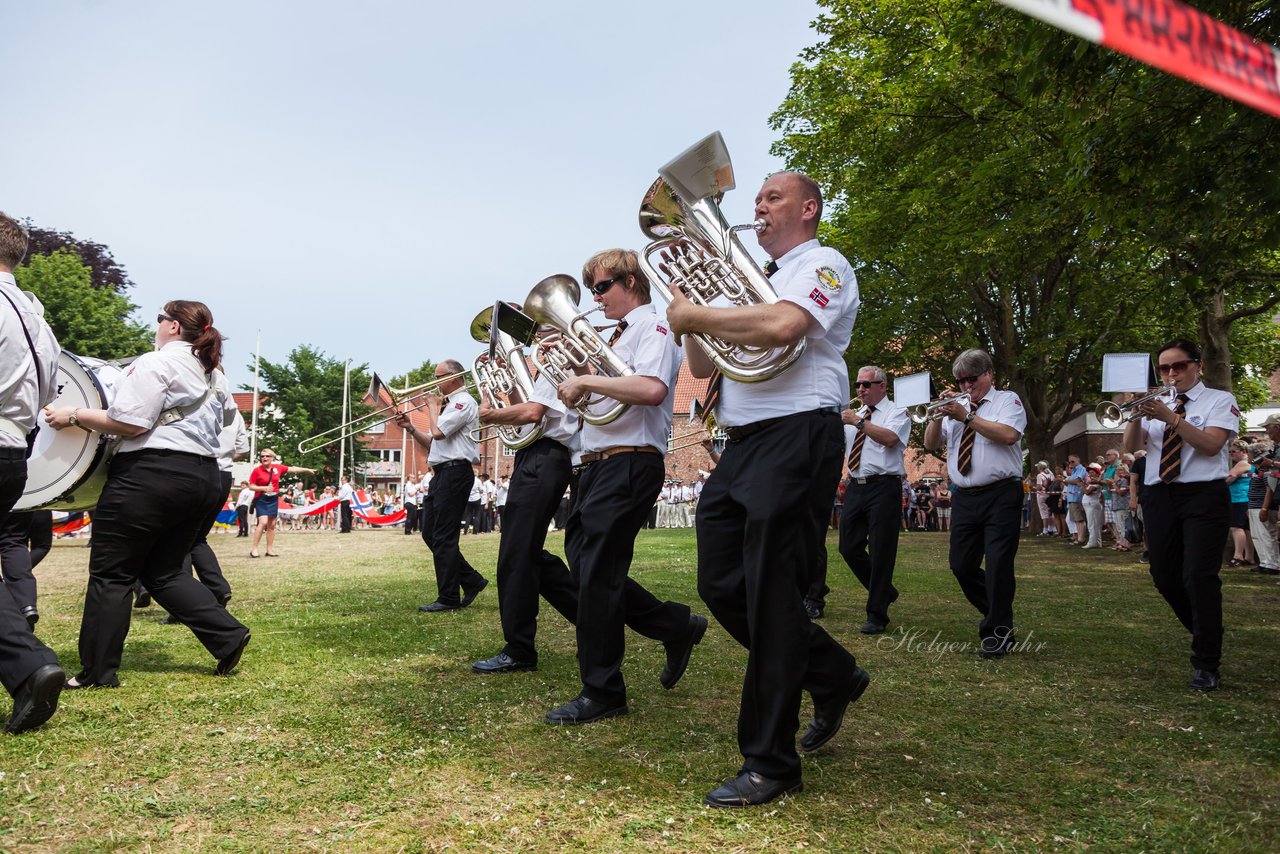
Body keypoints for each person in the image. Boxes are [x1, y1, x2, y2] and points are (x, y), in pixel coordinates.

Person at [666, 171, 864, 808]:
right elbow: (701, 368)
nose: (758, 207)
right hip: (744, 441)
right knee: (721, 584)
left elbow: (782, 328)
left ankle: (770, 763)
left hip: (799, 430)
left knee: (774, 593)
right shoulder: (757, 280)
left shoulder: (823, 262)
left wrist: (697, 311)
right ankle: (830, 673)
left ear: (807, 209)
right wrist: (688, 318)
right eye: (756, 200)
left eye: (772, 198)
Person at [44, 300, 252, 689]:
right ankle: (227, 635)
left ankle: (98, 672)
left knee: (112, 574)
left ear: (173, 326)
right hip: (203, 477)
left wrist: (73, 415)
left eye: (160, 318)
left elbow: (129, 422)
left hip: (151, 475)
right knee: (164, 571)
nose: (156, 325)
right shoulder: (214, 375)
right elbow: (224, 422)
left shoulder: (156, 362)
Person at [547, 248, 707, 727]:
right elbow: (591, 402)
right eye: (592, 290)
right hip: (597, 465)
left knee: (596, 571)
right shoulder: (613, 337)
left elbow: (653, 389)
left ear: (631, 282)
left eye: (601, 288)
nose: (595, 300)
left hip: (630, 462)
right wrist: (570, 374)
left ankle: (603, 690)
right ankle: (676, 626)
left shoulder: (652, 326)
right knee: (587, 564)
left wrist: (587, 377)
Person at [1123, 338, 1238, 691]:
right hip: (1159, 494)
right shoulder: (1159, 403)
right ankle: (1207, 631)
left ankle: (1206, 661)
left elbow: (1211, 445)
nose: (1171, 374)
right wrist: (1135, 413)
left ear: (1197, 365)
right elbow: (1132, 449)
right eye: (1164, 368)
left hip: (1203, 494)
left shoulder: (1220, 400)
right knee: (1164, 575)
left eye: (1179, 366)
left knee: (1199, 577)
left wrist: (1171, 418)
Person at [0, 212, 65, 732]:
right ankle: (28, 666)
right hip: (12, 453)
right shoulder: (36, 318)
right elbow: (49, 396)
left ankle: (27, 667)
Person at [922, 348, 1026, 659]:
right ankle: (997, 612)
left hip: (1001, 493)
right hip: (965, 496)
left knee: (997, 565)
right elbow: (930, 444)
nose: (966, 385)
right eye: (961, 380)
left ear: (989, 374)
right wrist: (937, 415)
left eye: (972, 379)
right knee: (961, 565)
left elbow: (1008, 435)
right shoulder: (957, 407)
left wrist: (967, 416)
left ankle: (997, 630)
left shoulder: (1008, 400)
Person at [397, 360, 489, 612]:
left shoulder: (464, 402)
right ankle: (471, 580)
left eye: (439, 377)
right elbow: (432, 441)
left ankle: (448, 597)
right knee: (430, 533)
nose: (436, 382)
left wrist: (432, 408)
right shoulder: (449, 406)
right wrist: (411, 427)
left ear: (456, 376)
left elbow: (438, 432)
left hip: (456, 472)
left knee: (445, 536)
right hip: (442, 473)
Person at [837, 366, 910, 635]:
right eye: (858, 385)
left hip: (884, 485)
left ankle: (876, 614)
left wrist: (857, 422)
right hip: (856, 485)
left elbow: (890, 439)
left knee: (881, 552)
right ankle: (885, 591)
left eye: (867, 385)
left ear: (883, 386)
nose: (861, 390)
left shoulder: (896, 411)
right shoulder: (855, 416)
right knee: (848, 547)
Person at [248, 450, 314, 556]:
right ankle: (254, 549)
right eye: (262, 456)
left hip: (273, 498)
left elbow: (292, 469)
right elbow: (251, 486)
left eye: (267, 456)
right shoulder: (257, 470)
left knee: (272, 525)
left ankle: (269, 550)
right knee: (263, 522)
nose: (264, 458)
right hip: (261, 498)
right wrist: (264, 488)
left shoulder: (277, 468)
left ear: (272, 458)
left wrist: (306, 469)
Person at [1226, 441, 1255, 567]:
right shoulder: (1250, 464)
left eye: (1234, 451)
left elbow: (1228, 480)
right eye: (1230, 451)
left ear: (1243, 452)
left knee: (1236, 528)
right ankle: (1249, 557)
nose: (1231, 454)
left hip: (1239, 499)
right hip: (1245, 499)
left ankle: (1238, 556)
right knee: (1247, 530)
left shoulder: (1242, 464)